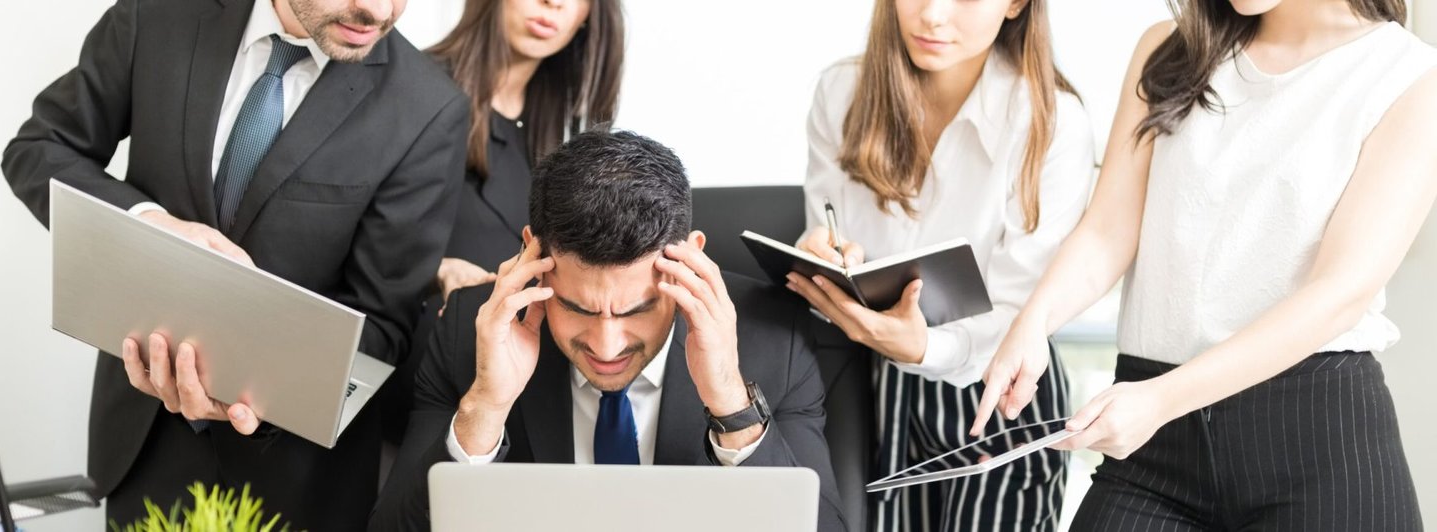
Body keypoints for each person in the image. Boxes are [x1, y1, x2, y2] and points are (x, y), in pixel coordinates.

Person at [0, 0, 469, 528]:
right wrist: (149, 223)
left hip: (296, 483)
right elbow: (40, 149)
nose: (377, 11)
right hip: (143, 445)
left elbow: (381, 327)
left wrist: (257, 389)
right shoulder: (156, 16)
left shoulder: (428, 108)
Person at [973, 0, 1435, 530]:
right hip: (1154, 446)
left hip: (1317, 439)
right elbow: (1107, 230)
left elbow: (1340, 292)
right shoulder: (1169, 48)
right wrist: (1033, 322)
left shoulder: (1409, 78)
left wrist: (1163, 400)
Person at [370, 129, 847, 532]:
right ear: (534, 255)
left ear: (691, 259)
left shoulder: (772, 337)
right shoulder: (473, 331)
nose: (606, 345)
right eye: (577, 308)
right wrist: (485, 408)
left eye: (636, 310)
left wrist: (730, 402)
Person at [785, 0, 1092, 529]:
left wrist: (924, 346)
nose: (932, 14)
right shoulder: (841, 93)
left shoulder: (1052, 124)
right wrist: (823, 255)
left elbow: (1020, 315)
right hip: (876, 384)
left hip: (1002, 393)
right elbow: (831, 235)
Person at [379, 0, 624, 445]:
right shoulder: (406, 88)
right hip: (404, 388)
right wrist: (435, 268)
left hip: (506, 401)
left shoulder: (551, 137)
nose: (554, 3)